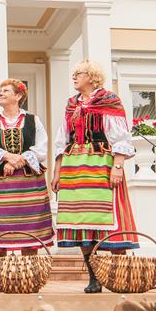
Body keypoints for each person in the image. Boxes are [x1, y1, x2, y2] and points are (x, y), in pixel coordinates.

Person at [51, 59, 138, 293]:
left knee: (110, 219)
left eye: (79, 73)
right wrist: (57, 172)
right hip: (74, 169)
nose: (74, 77)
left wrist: (118, 166)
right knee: (81, 222)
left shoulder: (108, 100)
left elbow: (120, 137)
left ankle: (120, 276)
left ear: (91, 77)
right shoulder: (72, 104)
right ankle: (93, 278)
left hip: (101, 164)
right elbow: (62, 140)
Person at [0, 80, 54, 259]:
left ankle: (29, 270)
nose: (0, 93)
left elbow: (41, 148)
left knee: (30, 230)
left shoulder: (33, 120)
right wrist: (7, 156)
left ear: (18, 96)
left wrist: (18, 161)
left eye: (6, 91)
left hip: (29, 185)